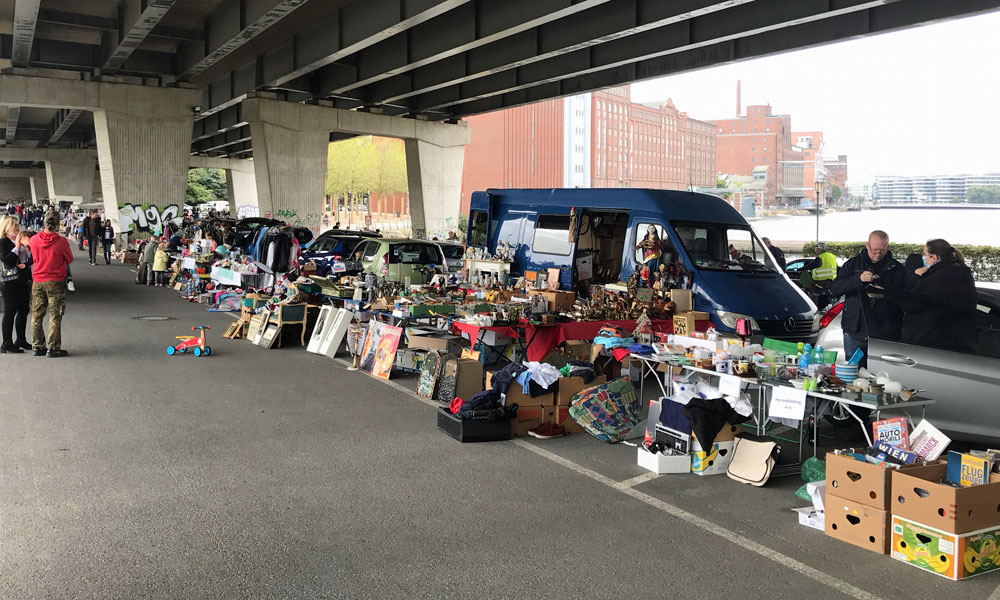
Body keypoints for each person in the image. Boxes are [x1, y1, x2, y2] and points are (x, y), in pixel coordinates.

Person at [829, 230, 905, 366]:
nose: (878, 254)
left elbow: (906, 297)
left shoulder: (897, 268)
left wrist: (886, 291)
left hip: (885, 331)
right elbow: (835, 289)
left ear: (887, 247)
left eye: (882, 251)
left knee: (882, 376)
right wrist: (858, 279)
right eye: (875, 250)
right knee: (853, 373)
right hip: (855, 329)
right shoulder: (852, 265)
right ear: (867, 245)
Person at [899, 239, 976, 352]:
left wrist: (917, 278)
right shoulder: (962, 273)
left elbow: (911, 302)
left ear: (933, 257)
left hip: (934, 341)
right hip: (959, 339)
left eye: (925, 255)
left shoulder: (938, 278)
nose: (923, 259)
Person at [29, 211, 73, 357]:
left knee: (37, 314)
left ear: (44, 222)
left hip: (37, 281)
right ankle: (53, 348)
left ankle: (37, 346)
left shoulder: (34, 240)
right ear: (57, 224)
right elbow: (69, 259)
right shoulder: (62, 242)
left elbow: (33, 257)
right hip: (55, 282)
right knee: (55, 315)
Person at [0, 216, 32, 353]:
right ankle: (7, 343)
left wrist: (27, 247)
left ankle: (21, 339)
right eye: (14, 226)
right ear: (7, 228)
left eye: (18, 226)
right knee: (10, 311)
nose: (17, 229)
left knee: (23, 310)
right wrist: (17, 247)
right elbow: (7, 260)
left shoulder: (21, 239)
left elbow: (31, 259)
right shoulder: (3, 242)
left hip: (23, 280)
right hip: (9, 282)